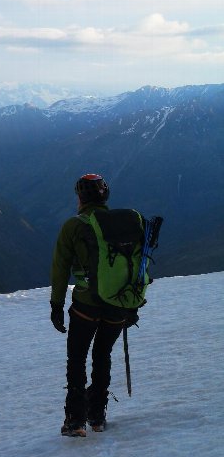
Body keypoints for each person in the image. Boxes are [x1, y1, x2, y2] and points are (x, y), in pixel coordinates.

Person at [50, 173, 139, 437]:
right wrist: (131, 307)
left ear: (80, 198)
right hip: (118, 305)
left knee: (77, 358)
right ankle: (97, 416)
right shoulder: (125, 223)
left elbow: (60, 269)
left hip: (85, 305)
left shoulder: (73, 226)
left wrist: (56, 305)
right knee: (102, 356)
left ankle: (75, 421)